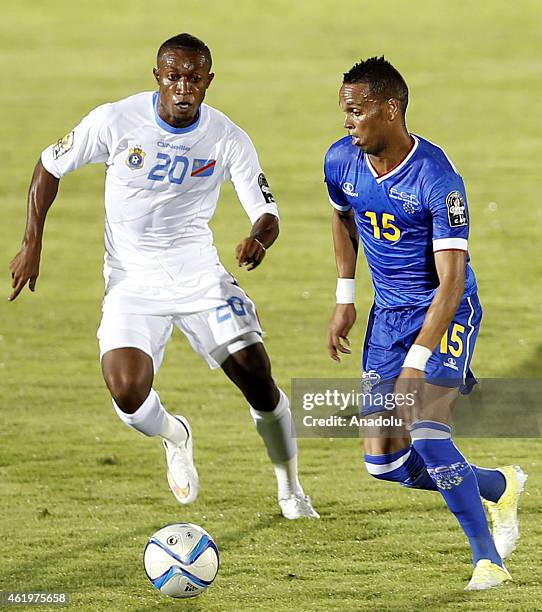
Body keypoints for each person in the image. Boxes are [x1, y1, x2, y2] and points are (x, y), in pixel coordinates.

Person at [9, 33, 318, 520]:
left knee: (257, 376)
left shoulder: (227, 137)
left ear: (208, 82)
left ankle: (291, 489)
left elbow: (268, 212)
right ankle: (176, 435)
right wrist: (32, 243)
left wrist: (259, 238)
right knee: (128, 393)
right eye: (173, 76)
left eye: (193, 78)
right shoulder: (115, 120)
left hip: (199, 275)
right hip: (132, 281)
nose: (183, 87)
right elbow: (50, 165)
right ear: (157, 77)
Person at [324, 56, 525, 589]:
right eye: (344, 110)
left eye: (356, 110)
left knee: (427, 429)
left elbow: (452, 281)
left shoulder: (439, 178)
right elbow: (343, 219)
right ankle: (497, 485)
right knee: (383, 465)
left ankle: (489, 561)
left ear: (390, 109)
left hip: (446, 310)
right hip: (387, 318)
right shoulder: (341, 161)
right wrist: (346, 297)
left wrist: (418, 362)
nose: (347, 121)